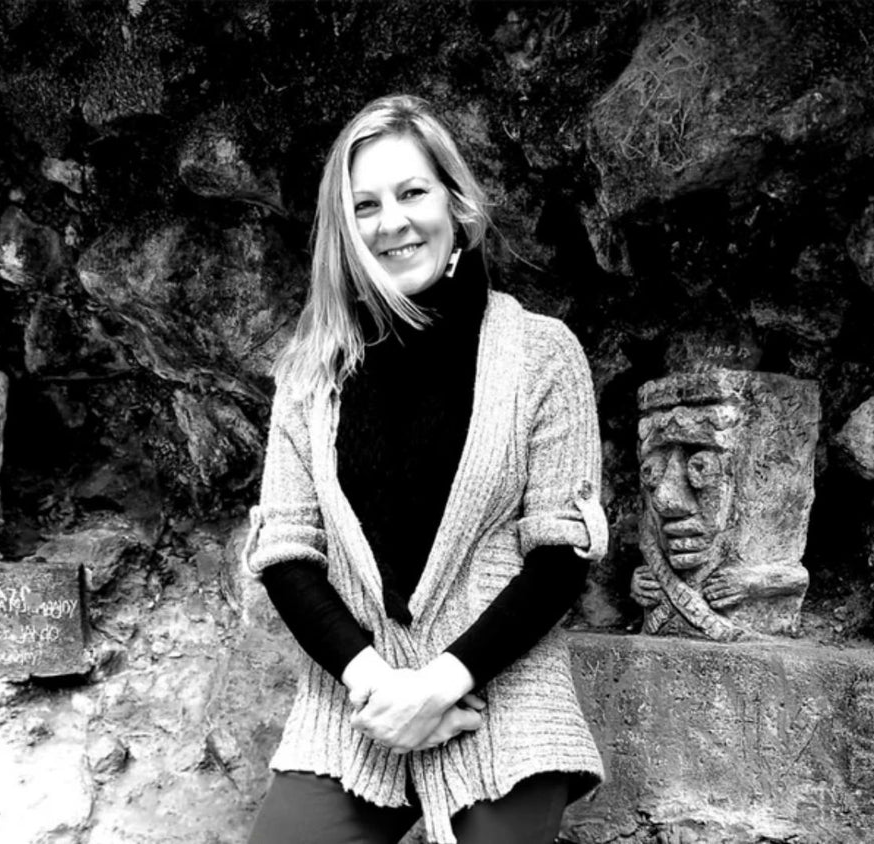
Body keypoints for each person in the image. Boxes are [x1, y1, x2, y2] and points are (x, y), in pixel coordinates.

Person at [241, 94, 607, 844]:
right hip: (356, 703)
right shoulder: (310, 373)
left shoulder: (543, 354)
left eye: (413, 192)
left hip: (498, 698)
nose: (392, 222)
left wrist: (440, 686)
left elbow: (560, 554)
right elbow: (286, 552)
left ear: (459, 204)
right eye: (365, 205)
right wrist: (381, 688)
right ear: (345, 230)